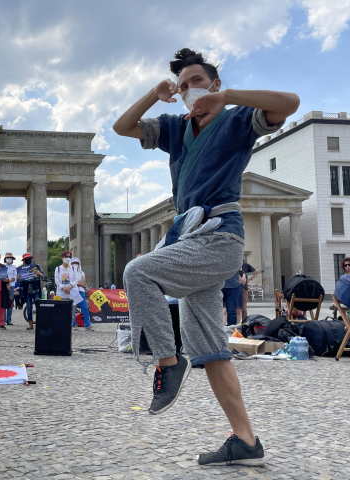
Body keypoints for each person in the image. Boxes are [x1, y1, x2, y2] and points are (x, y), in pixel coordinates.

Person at [114, 47, 299, 465]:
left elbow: (289, 103)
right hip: (189, 237)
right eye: (181, 86)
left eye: (196, 81)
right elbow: (122, 126)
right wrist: (152, 93)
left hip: (219, 237)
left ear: (214, 83)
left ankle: (167, 360)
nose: (188, 90)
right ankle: (246, 442)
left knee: (137, 271)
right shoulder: (176, 128)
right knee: (212, 350)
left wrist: (229, 97)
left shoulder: (237, 119)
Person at [17, 252, 44, 330]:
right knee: (29, 307)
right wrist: (18, 279)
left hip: (36, 289)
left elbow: (43, 276)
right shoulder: (21, 269)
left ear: (31, 259)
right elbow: (19, 282)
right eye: (26, 259)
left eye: (28, 259)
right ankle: (30, 324)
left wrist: (39, 273)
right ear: (24, 260)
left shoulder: (37, 266)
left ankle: (40, 323)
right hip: (27, 291)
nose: (27, 260)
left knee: (38, 306)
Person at [71, 257, 93, 331]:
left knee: (85, 308)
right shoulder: (70, 273)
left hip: (80, 291)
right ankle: (73, 324)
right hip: (73, 291)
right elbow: (71, 283)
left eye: (76, 263)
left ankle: (87, 324)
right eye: (73, 263)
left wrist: (77, 284)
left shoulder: (81, 272)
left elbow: (82, 283)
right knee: (73, 309)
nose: (75, 264)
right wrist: (78, 284)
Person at [4, 252, 17, 326]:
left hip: (11, 286)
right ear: (5, 259)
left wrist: (8, 282)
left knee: (10, 303)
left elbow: (14, 278)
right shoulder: (2, 266)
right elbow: (2, 276)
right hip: (4, 286)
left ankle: (9, 320)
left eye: (10, 258)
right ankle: (3, 320)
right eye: (8, 258)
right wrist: (6, 283)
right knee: (3, 303)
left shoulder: (14, 267)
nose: (9, 259)